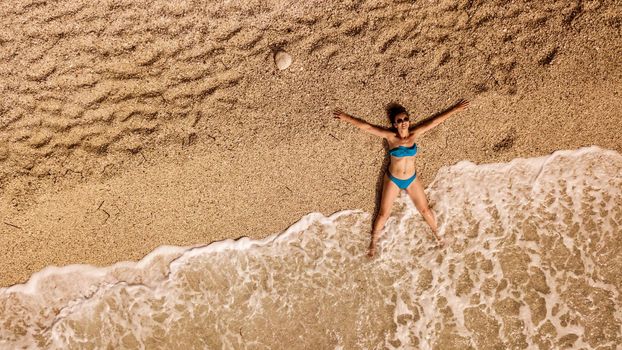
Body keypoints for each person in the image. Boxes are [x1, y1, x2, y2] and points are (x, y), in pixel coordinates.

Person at [333, 100, 469, 257]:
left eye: (405, 119)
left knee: (424, 210)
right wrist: (346, 118)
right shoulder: (391, 137)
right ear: (394, 124)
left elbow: (434, 122)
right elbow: (368, 127)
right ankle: (373, 244)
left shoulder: (414, 134)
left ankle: (439, 237)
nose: (403, 123)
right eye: (400, 121)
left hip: (411, 178)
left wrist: (455, 109)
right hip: (393, 179)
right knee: (383, 214)